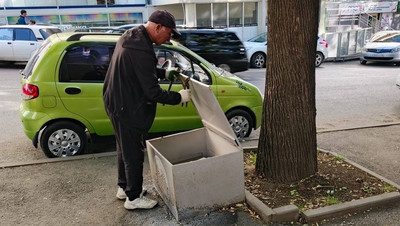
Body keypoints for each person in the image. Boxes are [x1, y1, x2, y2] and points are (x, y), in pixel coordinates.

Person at [103, 10, 191, 210]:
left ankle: (124, 188)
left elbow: (142, 70)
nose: (169, 38)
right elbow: (152, 92)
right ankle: (133, 199)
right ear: (158, 27)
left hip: (115, 101)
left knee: (124, 147)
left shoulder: (132, 36)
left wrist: (164, 72)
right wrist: (179, 97)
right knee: (133, 152)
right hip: (127, 106)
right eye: (169, 33)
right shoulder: (142, 49)